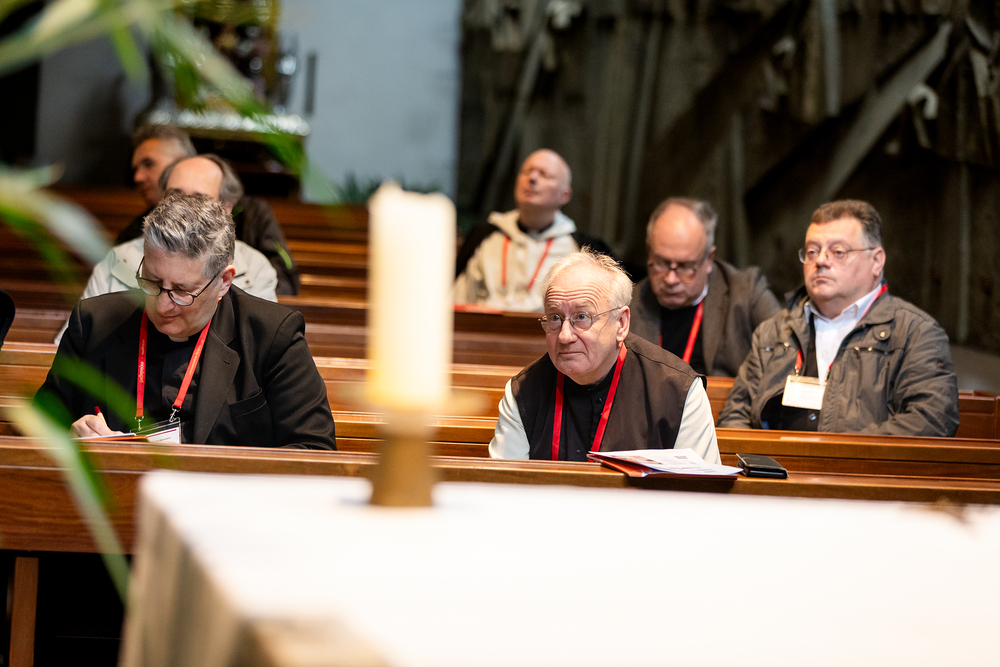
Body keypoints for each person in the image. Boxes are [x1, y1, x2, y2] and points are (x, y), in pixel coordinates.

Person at [37, 192, 336, 449]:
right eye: (152, 282)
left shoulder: (272, 336)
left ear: (224, 281)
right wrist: (70, 437)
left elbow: (314, 450)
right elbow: (36, 428)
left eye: (182, 291)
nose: (163, 305)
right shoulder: (94, 323)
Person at [718, 199, 958, 436]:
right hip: (771, 462)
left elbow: (931, 421)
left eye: (838, 252)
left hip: (860, 463)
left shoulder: (915, 333)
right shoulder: (773, 332)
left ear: (876, 261)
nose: (821, 261)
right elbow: (734, 416)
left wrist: (840, 455)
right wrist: (759, 457)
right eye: (812, 251)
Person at [489, 249, 719, 462]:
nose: (565, 336)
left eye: (582, 317)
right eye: (555, 318)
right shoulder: (524, 391)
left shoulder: (678, 390)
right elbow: (503, 485)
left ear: (621, 323)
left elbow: (700, 488)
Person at [120, 126, 299, 295]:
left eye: (149, 164)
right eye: (175, 195)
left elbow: (283, 279)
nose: (138, 177)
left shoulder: (253, 230)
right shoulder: (134, 240)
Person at [77, 155, 278, 304]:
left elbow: (259, 344)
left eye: (199, 200)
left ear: (225, 210)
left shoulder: (254, 267)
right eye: (174, 196)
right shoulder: (118, 260)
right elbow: (78, 340)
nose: (182, 209)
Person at [630, 198, 780, 376]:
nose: (670, 279)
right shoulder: (627, 303)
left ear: (709, 259)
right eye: (661, 263)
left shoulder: (747, 292)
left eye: (685, 267)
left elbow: (787, 349)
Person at [454, 149, 613, 312]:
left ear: (565, 195)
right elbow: (457, 302)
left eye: (544, 174)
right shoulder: (484, 238)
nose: (532, 178)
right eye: (527, 171)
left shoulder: (580, 249)